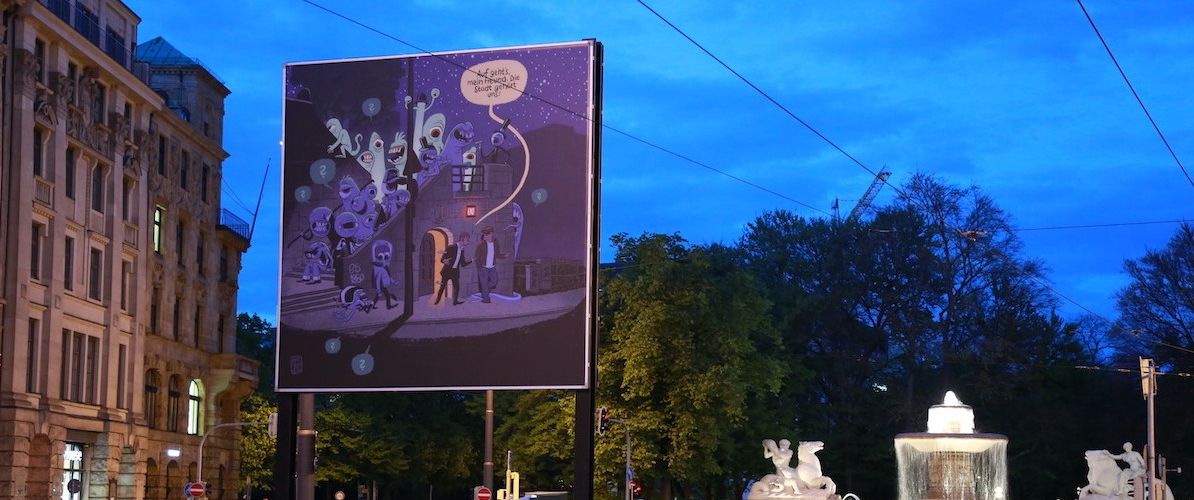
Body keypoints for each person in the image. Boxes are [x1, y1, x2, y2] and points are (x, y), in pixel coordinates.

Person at [473, 226, 507, 303]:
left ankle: (484, 289)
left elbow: (497, 254)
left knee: (494, 281)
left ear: (491, 234)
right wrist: (479, 267)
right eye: (484, 234)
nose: (485, 236)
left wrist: (504, 256)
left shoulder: (495, 242)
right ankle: (486, 298)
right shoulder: (481, 245)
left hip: (492, 267)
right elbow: (477, 257)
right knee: (484, 283)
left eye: (487, 234)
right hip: (483, 267)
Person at [435, 232, 471, 305]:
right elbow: (442, 259)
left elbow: (463, 264)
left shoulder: (462, 250)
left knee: (456, 288)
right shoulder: (451, 247)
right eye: (467, 240)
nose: (468, 242)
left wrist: (472, 261)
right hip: (447, 271)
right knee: (442, 287)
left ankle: (455, 301)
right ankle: (437, 300)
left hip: (455, 272)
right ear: (462, 239)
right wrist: (445, 261)